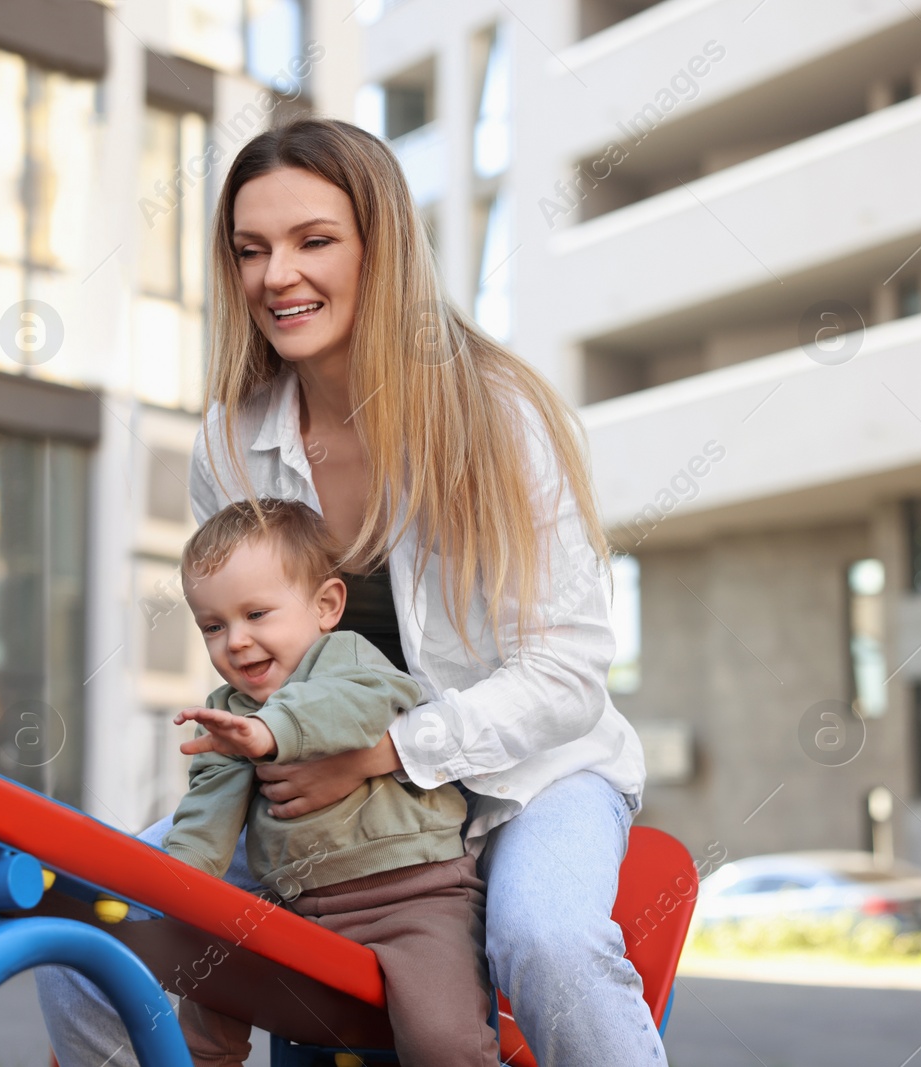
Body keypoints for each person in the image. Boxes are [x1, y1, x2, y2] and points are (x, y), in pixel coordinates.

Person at [36, 116, 660, 1065]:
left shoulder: (499, 418)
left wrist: (385, 750)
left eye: (313, 241)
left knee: (550, 942)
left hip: (530, 779)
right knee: (89, 942)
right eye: (252, 250)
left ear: (382, 250)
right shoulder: (230, 443)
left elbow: (567, 672)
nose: (277, 275)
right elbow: (253, 667)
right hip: (320, 805)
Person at [162, 497, 499, 1066]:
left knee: (444, 1042)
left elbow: (356, 709)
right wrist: (174, 884)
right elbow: (204, 820)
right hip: (295, 906)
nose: (235, 641)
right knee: (207, 985)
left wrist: (270, 733)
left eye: (257, 614)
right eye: (213, 626)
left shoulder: (351, 661)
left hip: (415, 898)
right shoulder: (231, 712)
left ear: (326, 605)